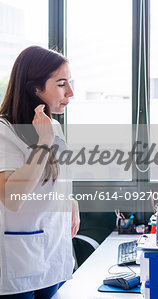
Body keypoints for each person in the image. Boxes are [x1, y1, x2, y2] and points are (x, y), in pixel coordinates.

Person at [0, 46, 79, 298]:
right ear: (35, 89)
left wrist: (71, 201)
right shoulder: (4, 130)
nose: (71, 92)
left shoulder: (53, 126)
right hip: (19, 258)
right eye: (61, 84)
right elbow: (13, 197)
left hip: (53, 252)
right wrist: (43, 142)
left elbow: (58, 177)